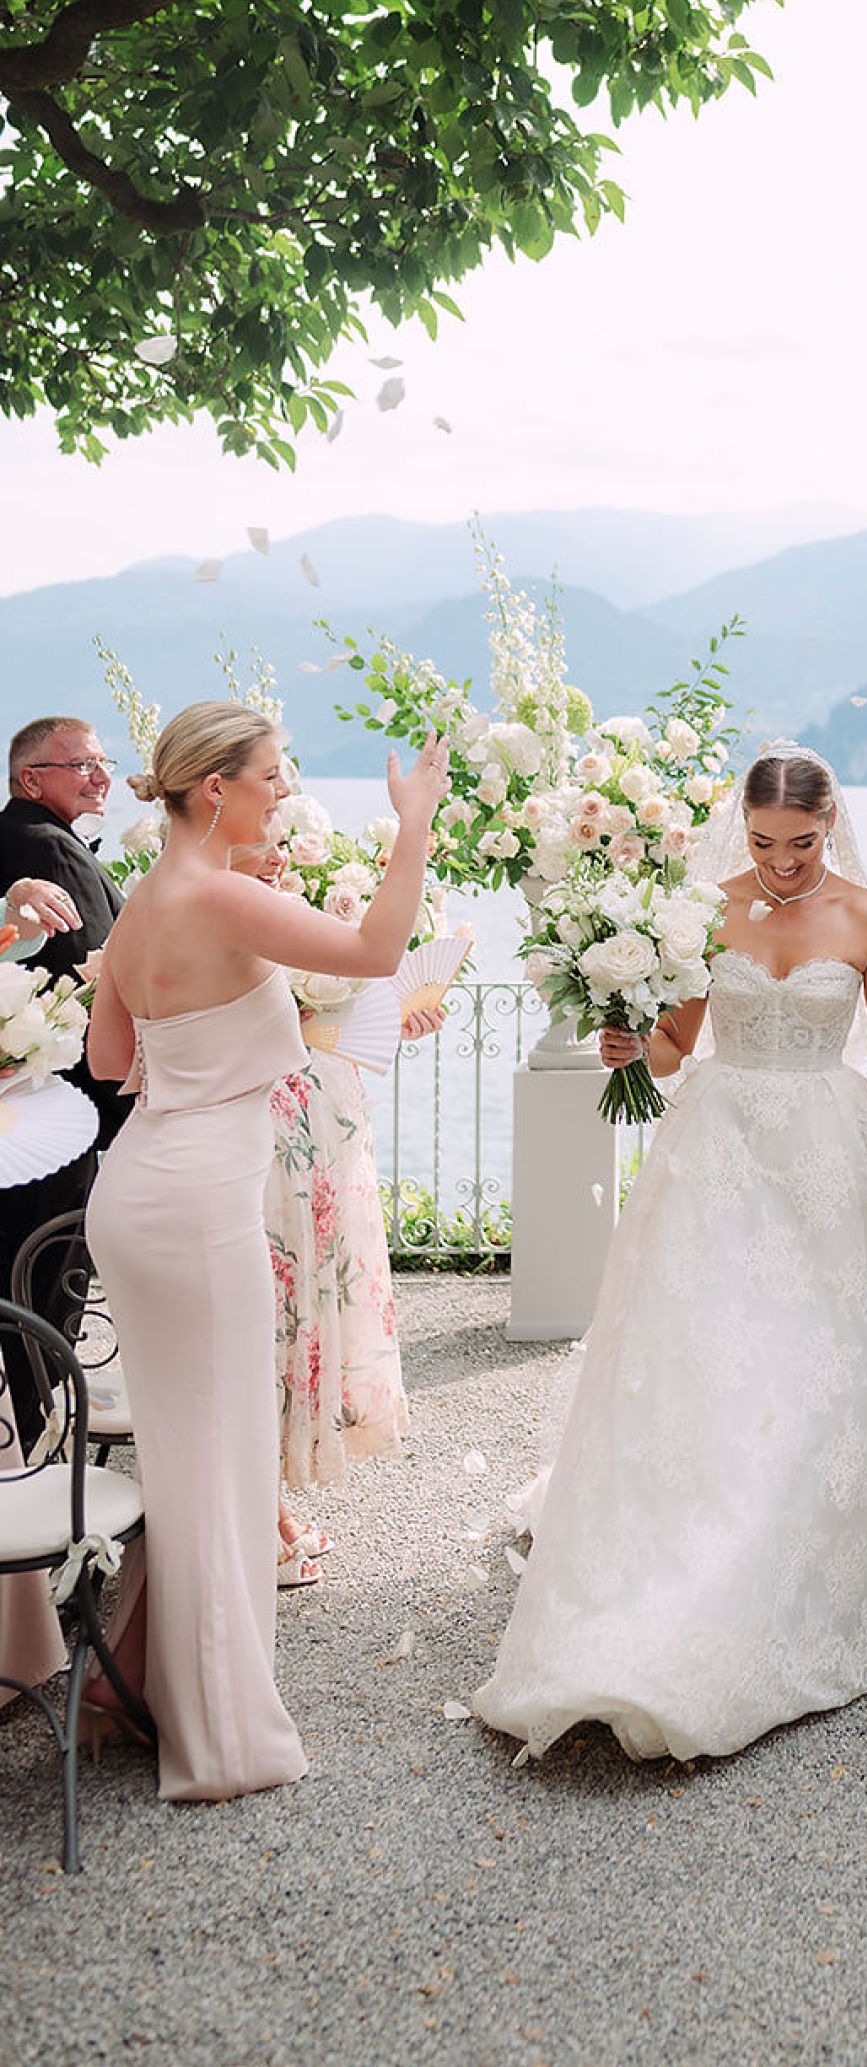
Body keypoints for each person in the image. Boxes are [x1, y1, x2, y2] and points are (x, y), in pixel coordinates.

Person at [473, 747, 867, 1767]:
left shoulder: (866, 914)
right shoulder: (705, 910)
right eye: (766, 841)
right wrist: (627, 1037)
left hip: (832, 1164)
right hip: (720, 1159)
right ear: (743, 825)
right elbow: (672, 1048)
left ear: (831, 827)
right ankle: (689, 1581)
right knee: (719, 1368)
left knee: (820, 1379)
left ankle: (782, 1575)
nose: (782, 862)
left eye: (803, 843)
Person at [82, 701, 446, 1801]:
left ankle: (133, 1682)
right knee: (223, 1460)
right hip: (198, 1209)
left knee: (190, 1454)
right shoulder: (224, 894)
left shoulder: (146, 901)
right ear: (214, 791)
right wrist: (414, 819)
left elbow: (109, 1057)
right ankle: (219, 1737)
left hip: (139, 1191)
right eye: (274, 776)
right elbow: (382, 948)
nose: (282, 793)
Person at [235, 835, 427, 1587]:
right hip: (265, 1131)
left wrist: (394, 1012)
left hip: (320, 1118)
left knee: (293, 1312)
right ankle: (260, 1512)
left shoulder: (283, 906)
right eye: (267, 838)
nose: (278, 851)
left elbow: (323, 1020)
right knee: (271, 1314)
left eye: (284, 839)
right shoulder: (228, 911)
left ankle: (268, 1498)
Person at [0, 716, 130, 1447]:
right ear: (31, 778)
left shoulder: (15, 838)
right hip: (61, 1107)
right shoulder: (46, 845)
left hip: (20, 1102)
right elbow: (99, 965)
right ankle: (45, 1425)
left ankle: (20, 1427)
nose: (101, 774)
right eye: (82, 764)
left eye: (104, 761)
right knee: (49, 1273)